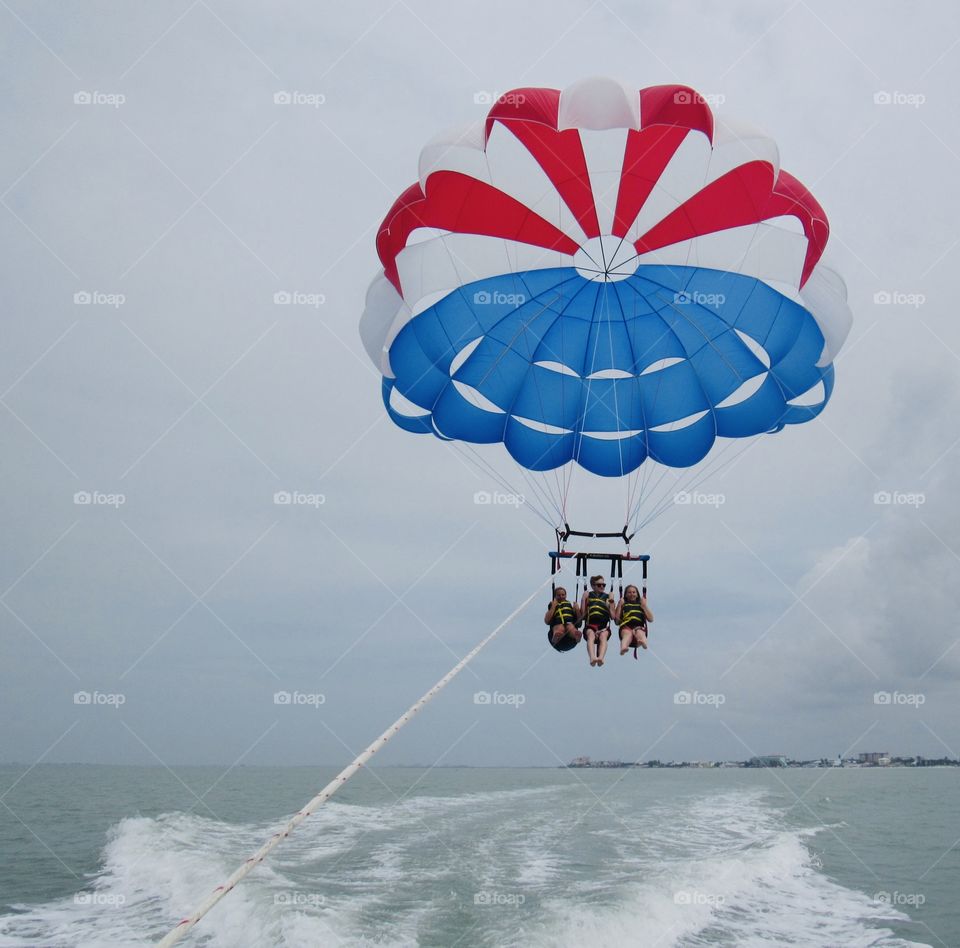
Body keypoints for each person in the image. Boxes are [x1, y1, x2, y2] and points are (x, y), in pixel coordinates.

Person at [580, 575, 614, 667]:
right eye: (599, 585)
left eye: (603, 585)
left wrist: (611, 602)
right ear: (593, 586)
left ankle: (601, 658)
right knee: (591, 635)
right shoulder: (588, 595)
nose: (602, 587)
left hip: (604, 627)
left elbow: (613, 617)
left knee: (603, 637)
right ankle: (592, 657)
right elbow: (583, 615)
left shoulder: (607, 597)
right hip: (590, 626)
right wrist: (583, 599)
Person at [615, 584, 654, 656]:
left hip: (638, 627)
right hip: (626, 626)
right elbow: (617, 622)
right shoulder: (623, 605)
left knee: (640, 633)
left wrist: (644, 606)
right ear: (625, 595)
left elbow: (651, 619)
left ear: (637, 594)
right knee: (627, 634)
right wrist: (619, 605)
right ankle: (623, 647)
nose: (631, 594)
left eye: (634, 592)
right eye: (629, 592)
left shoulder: (641, 605)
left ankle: (642, 642)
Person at [545, 587, 581, 651]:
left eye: (563, 595)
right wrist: (553, 606)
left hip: (569, 625)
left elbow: (579, 623)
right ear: (555, 596)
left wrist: (577, 609)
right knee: (560, 627)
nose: (561, 596)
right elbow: (547, 621)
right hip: (558, 626)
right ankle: (556, 637)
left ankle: (576, 636)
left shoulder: (570, 605)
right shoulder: (552, 605)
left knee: (570, 627)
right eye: (558, 595)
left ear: (566, 595)